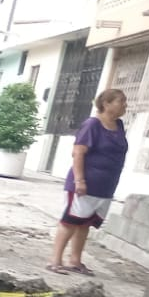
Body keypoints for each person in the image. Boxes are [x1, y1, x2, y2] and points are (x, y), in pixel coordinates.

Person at [49, 88, 128, 277]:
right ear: (106, 104)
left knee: (85, 223)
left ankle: (75, 261)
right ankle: (55, 261)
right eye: (121, 101)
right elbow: (78, 153)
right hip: (85, 184)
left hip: (105, 186)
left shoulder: (119, 125)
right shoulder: (92, 125)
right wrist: (79, 181)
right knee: (70, 222)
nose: (125, 105)